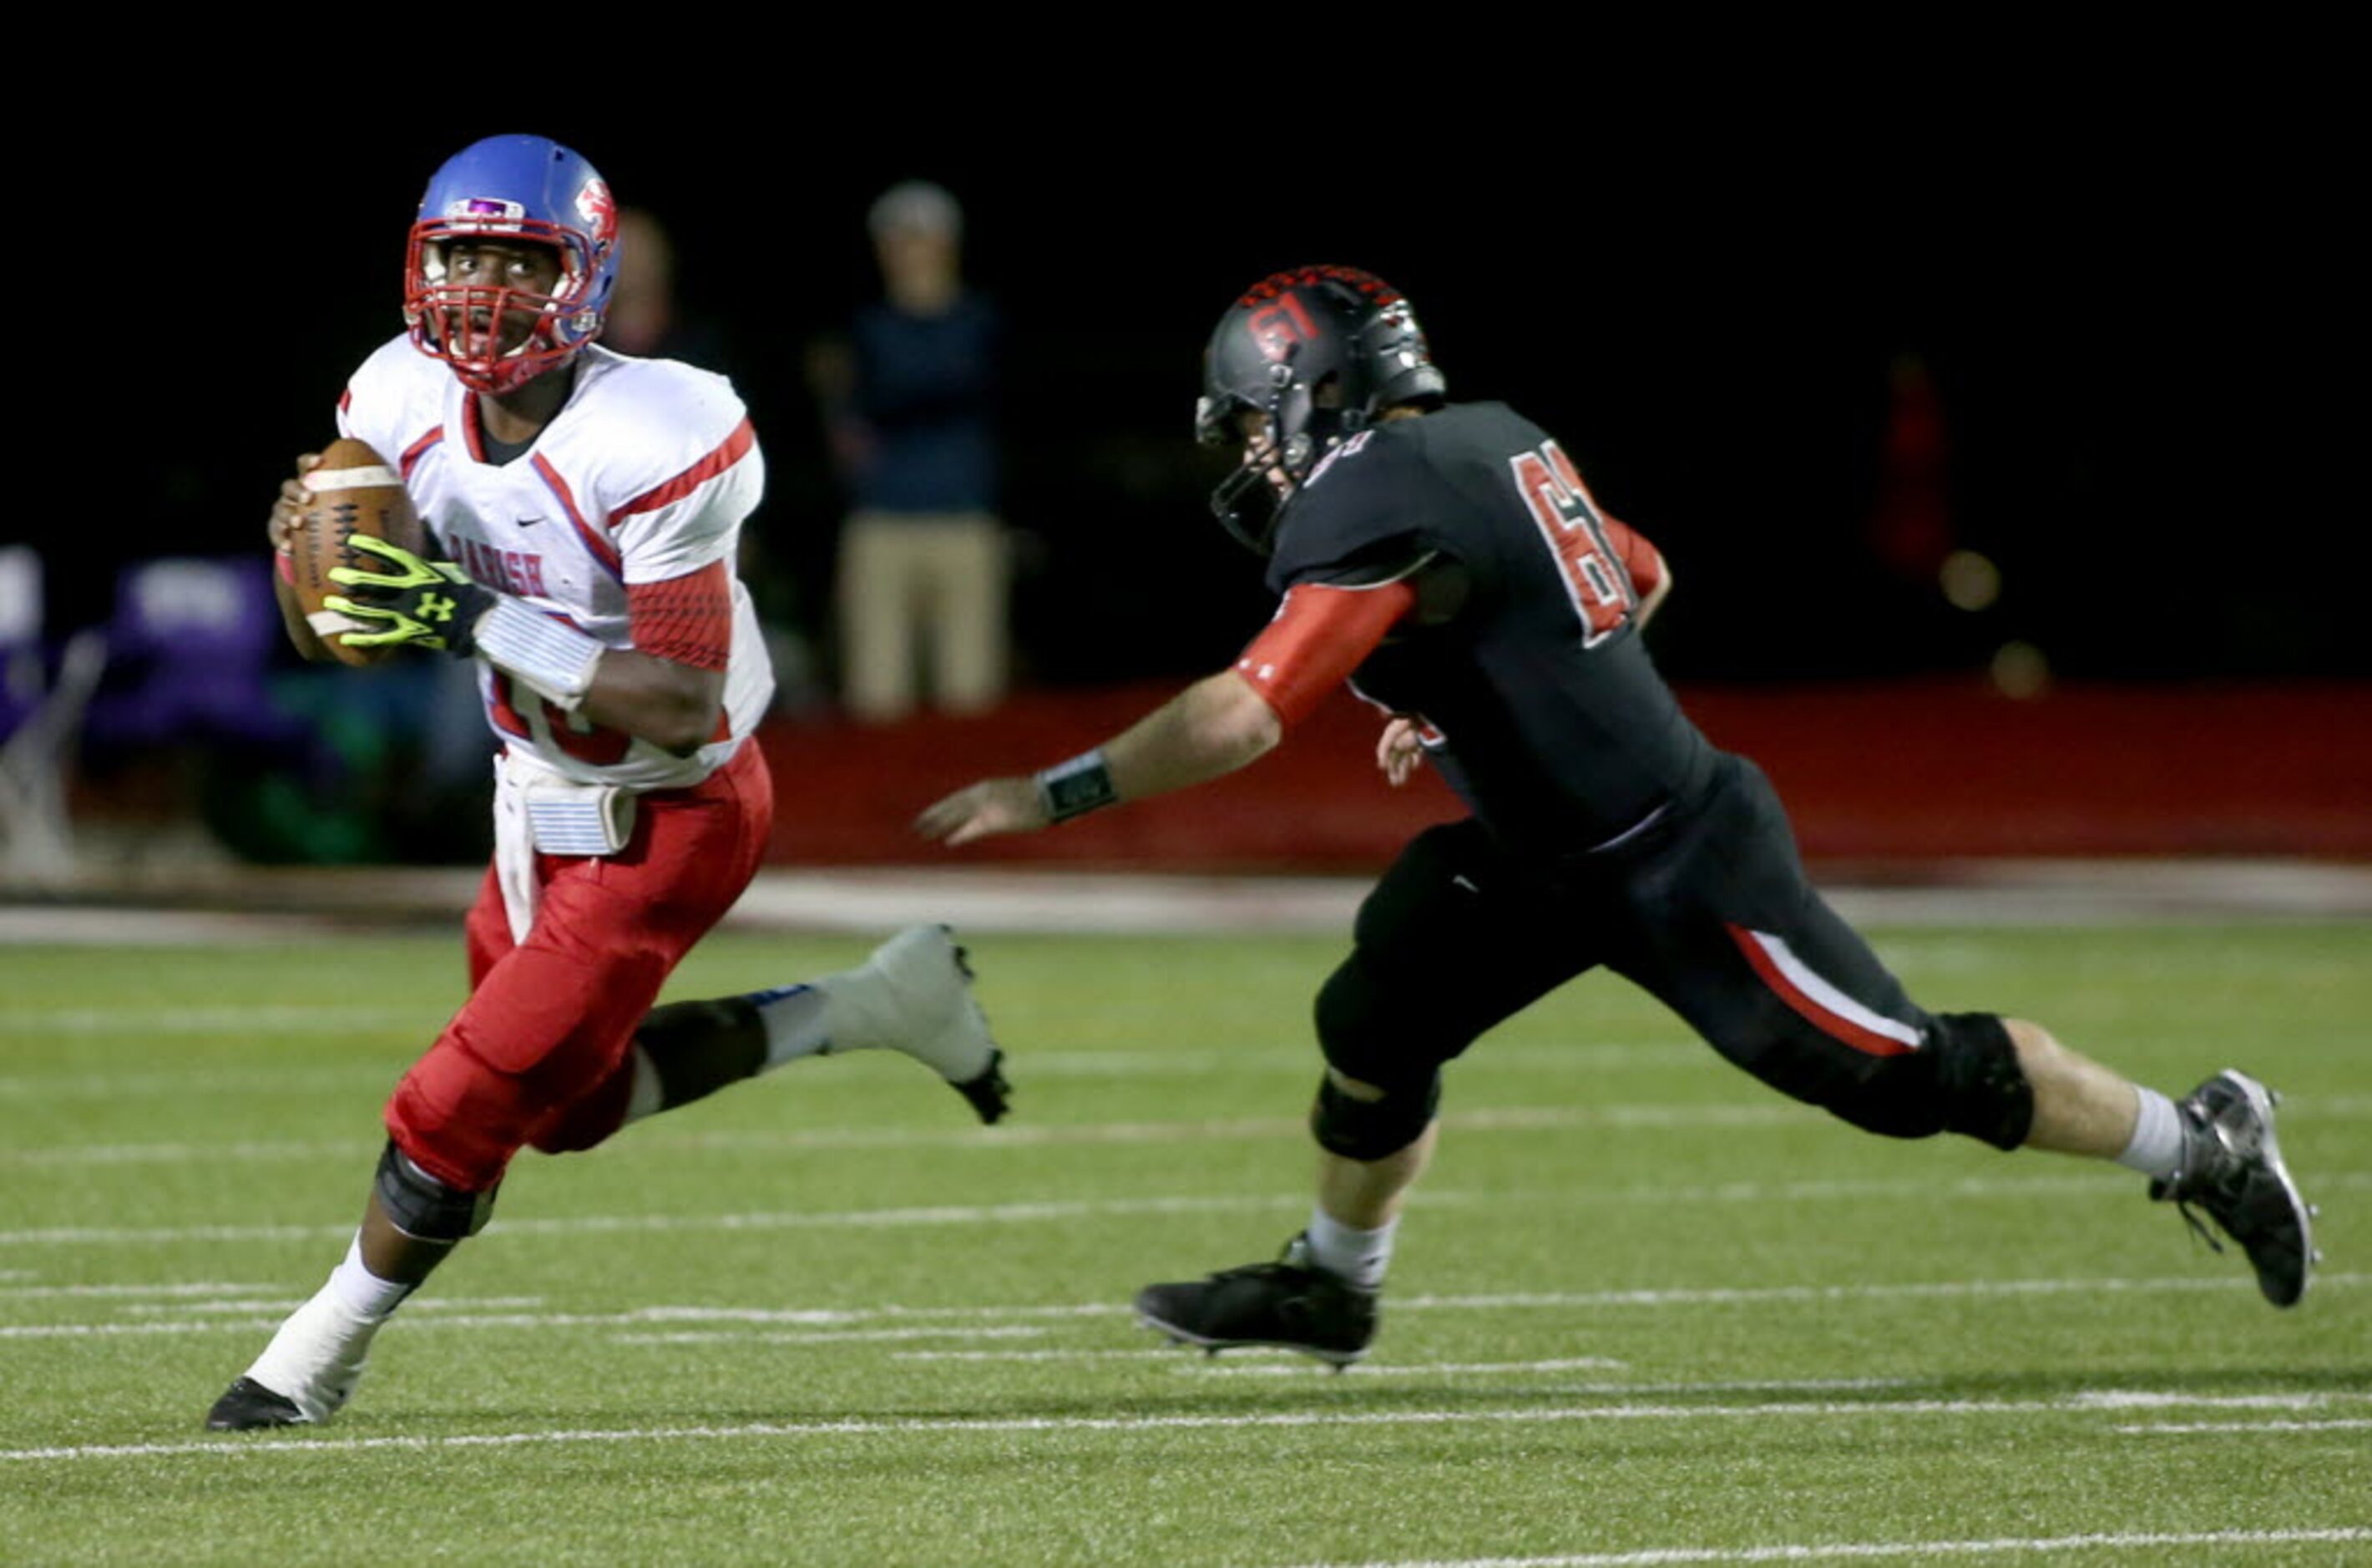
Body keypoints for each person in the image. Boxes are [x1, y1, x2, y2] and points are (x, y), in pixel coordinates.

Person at [915, 264, 2319, 1365]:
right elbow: (1634, 573)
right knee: (1376, 1016)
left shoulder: (1382, 488)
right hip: (1544, 856)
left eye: (1252, 422)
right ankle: (1333, 1289)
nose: (1255, 460)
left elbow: (1240, 711)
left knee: (1901, 1075)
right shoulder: (1492, 436)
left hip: (1673, 859)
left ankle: (2199, 1138)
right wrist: (1476, 694)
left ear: (1309, 386)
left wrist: (1053, 790)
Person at [205, 134, 1010, 1432]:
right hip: (531, 797)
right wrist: (314, 564)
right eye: (460, 256)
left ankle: (305, 1362)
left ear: (582, 280)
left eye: (519, 262)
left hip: (671, 810)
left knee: (459, 1099)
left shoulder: (660, 423)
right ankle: (878, 1005)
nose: (481, 290)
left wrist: (472, 614)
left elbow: (685, 702)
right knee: (566, 1111)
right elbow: (336, 631)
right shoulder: (393, 395)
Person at [808, 180, 1009, 723]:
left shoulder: (982, 323)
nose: (910, 252)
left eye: (921, 238)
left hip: (964, 522)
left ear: (948, 244)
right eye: (897, 240)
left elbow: (952, 386)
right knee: (876, 698)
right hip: (880, 523)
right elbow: (844, 422)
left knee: (971, 699)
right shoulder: (861, 328)